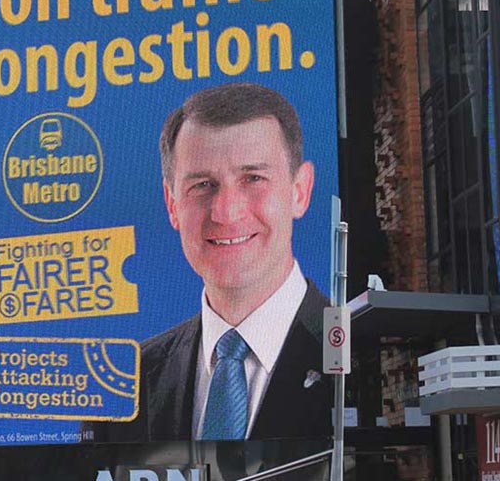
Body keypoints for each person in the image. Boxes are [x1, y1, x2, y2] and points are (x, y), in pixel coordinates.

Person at [89, 82, 332, 443]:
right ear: (172, 205)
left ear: (300, 190)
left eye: (253, 178)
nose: (226, 212)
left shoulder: (366, 360)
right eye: (202, 185)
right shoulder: (122, 390)